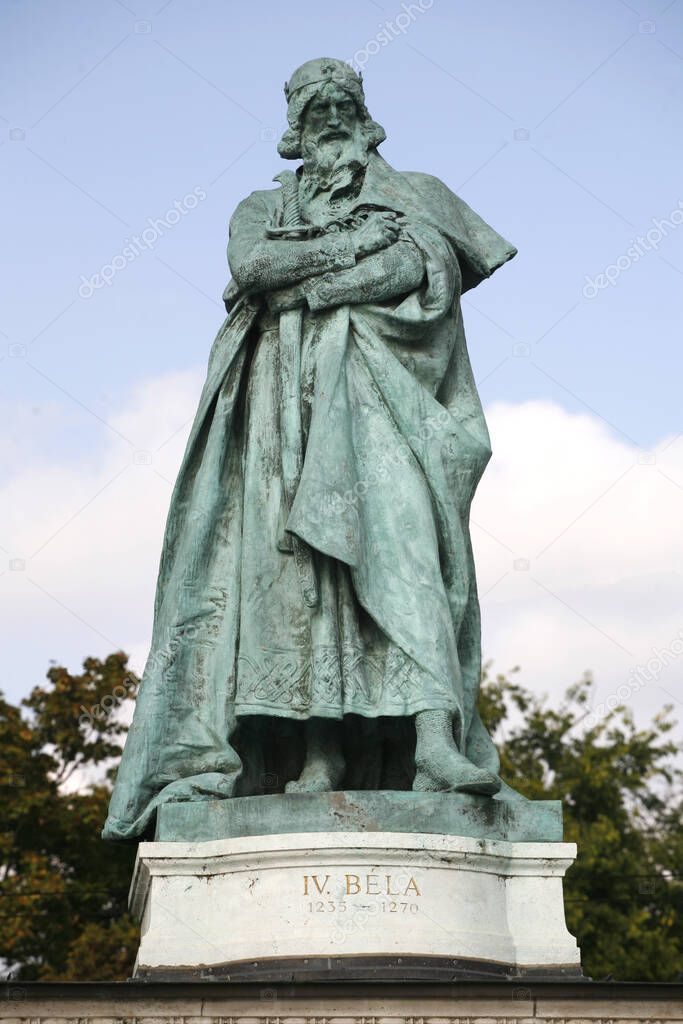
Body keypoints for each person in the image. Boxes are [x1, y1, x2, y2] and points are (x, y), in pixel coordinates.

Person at [103, 58, 517, 842]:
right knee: (296, 586)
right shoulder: (259, 205)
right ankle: (318, 755)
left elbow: (413, 269)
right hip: (277, 419)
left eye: (343, 102)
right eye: (312, 104)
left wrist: (314, 285)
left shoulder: (410, 196)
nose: (329, 115)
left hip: (384, 409)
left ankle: (435, 740)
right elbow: (253, 266)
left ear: (365, 117)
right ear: (293, 124)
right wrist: (348, 249)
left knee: (405, 555)